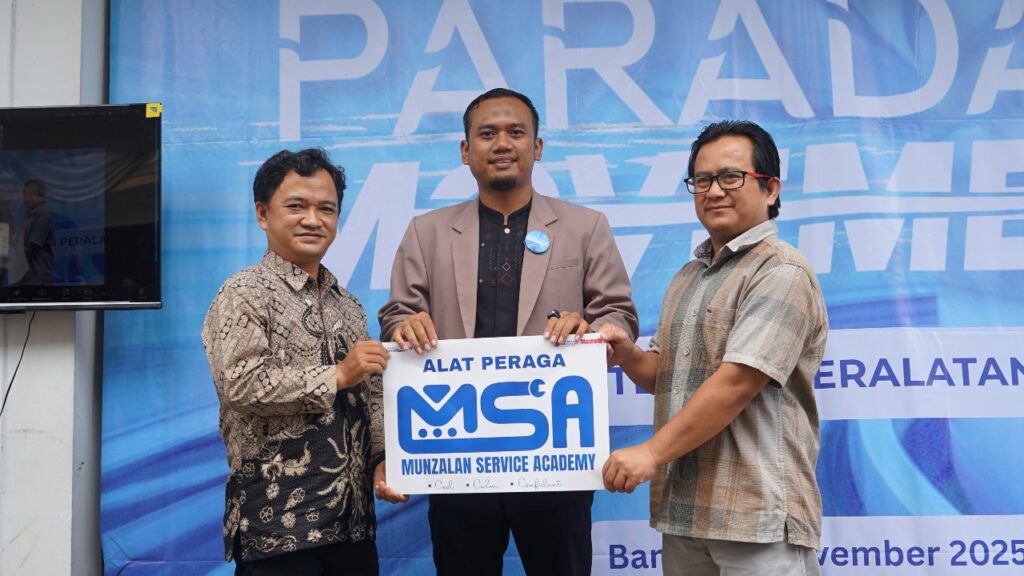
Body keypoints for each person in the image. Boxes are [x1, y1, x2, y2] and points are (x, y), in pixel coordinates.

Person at [378, 88, 639, 576]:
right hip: (458, 458)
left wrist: (594, 330)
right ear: (465, 151)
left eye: (516, 132)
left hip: (554, 460)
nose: (502, 143)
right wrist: (403, 324)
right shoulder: (426, 232)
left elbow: (619, 314)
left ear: (537, 146)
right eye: (487, 134)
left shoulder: (584, 227)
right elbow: (396, 314)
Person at [600, 120, 828, 575]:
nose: (714, 191)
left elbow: (737, 383)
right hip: (685, 510)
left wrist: (650, 453)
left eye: (731, 177)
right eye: (702, 180)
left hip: (756, 514)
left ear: (770, 188)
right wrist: (628, 356)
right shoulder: (689, 275)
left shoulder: (781, 271)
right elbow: (665, 376)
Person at [202, 148, 406, 576]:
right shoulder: (243, 293)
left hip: (353, 528)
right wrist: (338, 374)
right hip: (277, 529)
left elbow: (371, 397)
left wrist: (384, 459)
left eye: (326, 209)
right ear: (262, 214)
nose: (313, 219)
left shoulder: (349, 306)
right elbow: (242, 385)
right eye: (297, 206)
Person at [14, 179, 55, 285]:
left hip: (39, 276)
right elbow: (17, 242)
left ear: (41, 197)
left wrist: (11, 265)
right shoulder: (27, 215)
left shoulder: (43, 216)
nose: (27, 198)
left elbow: (32, 247)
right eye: (25, 194)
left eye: (31, 194)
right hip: (26, 275)